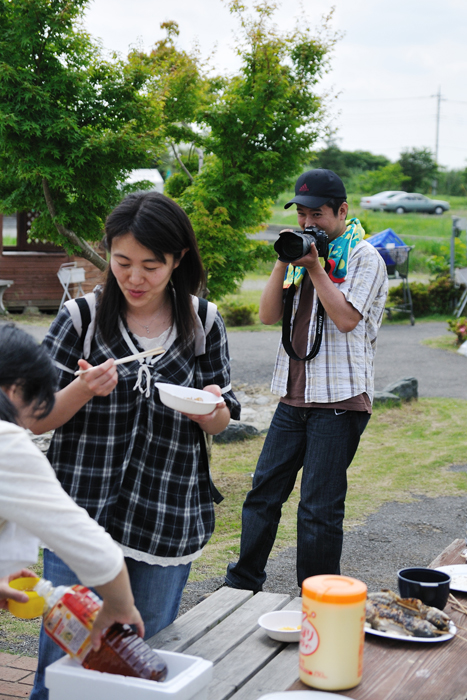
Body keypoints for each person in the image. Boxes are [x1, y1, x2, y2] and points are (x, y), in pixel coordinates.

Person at [30, 191, 240, 700]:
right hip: (80, 517)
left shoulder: (204, 322)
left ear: (178, 260)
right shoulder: (80, 319)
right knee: (62, 669)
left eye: (151, 265)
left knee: (140, 663)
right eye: (122, 262)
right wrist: (81, 388)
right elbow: (34, 416)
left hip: (166, 517)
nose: (134, 278)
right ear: (108, 253)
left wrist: (212, 409)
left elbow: (221, 418)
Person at [225, 168, 388, 592]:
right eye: (301, 214)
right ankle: (242, 585)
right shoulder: (297, 258)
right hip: (292, 397)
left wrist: (316, 267)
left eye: (317, 214)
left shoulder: (363, 257)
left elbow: (347, 319)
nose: (308, 222)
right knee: (263, 493)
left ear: (342, 211)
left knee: (318, 507)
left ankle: (316, 598)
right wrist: (284, 258)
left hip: (339, 400)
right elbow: (266, 315)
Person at [0, 323, 144, 647]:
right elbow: (96, 552)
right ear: (13, 390)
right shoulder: (5, 441)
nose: (28, 423)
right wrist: (120, 607)